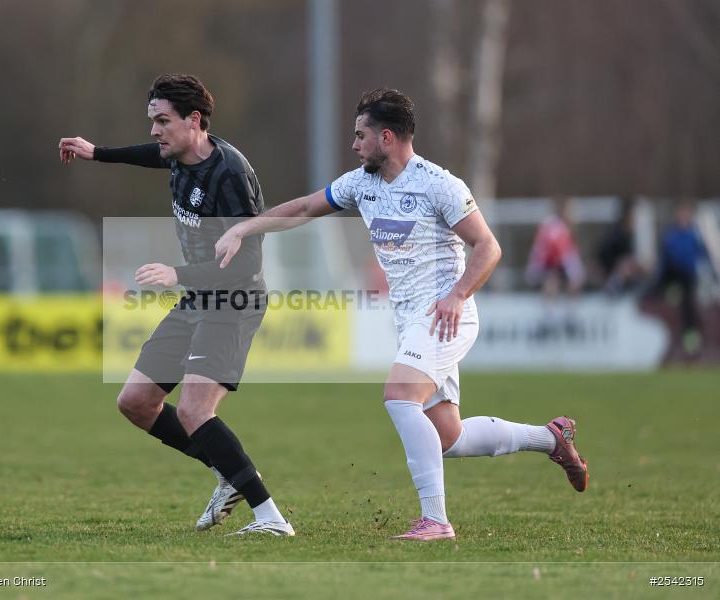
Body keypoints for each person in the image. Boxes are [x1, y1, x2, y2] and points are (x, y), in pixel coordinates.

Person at [215, 88, 588, 541]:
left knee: (399, 395)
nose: (354, 145)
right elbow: (308, 206)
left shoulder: (439, 184)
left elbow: (488, 246)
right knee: (447, 437)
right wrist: (247, 228)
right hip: (412, 322)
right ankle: (551, 438)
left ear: (386, 137)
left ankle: (436, 521)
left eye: (361, 135)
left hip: (445, 315)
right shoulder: (361, 183)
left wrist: (458, 295)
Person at [59, 74, 294, 536]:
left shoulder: (229, 175)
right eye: (152, 120)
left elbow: (247, 263)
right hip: (197, 298)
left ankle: (271, 518)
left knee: (193, 411)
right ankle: (230, 472)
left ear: (194, 120)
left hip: (233, 301)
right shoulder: (179, 155)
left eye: (163, 121)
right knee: (136, 402)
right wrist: (97, 152)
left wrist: (177, 274)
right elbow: (151, 155)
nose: (154, 131)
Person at [648, 201, 708, 356]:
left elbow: (701, 256)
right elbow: (666, 259)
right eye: (682, 212)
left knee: (688, 304)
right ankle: (671, 291)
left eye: (686, 212)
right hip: (673, 274)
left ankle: (690, 333)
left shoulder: (695, 234)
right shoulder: (671, 235)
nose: (684, 215)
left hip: (688, 276)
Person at [525, 197, 586, 296]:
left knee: (576, 279)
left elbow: (570, 257)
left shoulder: (566, 230)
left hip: (559, 263)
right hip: (547, 264)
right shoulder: (552, 228)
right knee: (551, 281)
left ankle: (571, 303)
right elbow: (549, 253)